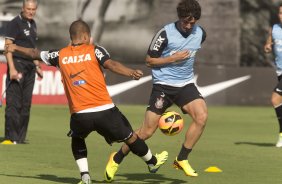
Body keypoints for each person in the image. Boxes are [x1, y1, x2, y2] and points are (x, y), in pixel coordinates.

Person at [5, 20, 168, 184]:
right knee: (131, 137)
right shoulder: (95, 51)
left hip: (80, 114)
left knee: (77, 139)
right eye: (89, 36)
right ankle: (152, 162)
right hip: (105, 110)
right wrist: (130, 72)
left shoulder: (60, 54)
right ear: (85, 36)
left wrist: (15, 47)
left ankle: (85, 176)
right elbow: (111, 64)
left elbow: (35, 53)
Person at [105, 0, 207, 178]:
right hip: (163, 87)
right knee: (146, 132)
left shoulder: (200, 33)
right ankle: (117, 158)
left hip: (185, 85)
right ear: (179, 18)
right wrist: (172, 58)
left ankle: (182, 159)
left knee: (202, 116)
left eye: (192, 23)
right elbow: (149, 61)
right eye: (185, 22)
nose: (189, 26)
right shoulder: (165, 33)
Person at [1, 0, 43, 145]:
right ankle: (10, 137)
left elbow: (32, 48)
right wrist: (11, 68)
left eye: (33, 9)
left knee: (26, 104)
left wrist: (37, 66)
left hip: (30, 67)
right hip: (17, 65)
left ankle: (20, 138)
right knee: (14, 103)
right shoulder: (14, 23)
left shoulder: (33, 24)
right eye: (28, 9)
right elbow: (8, 47)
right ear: (23, 8)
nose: (31, 12)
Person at [264, 3, 282, 148]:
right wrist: (268, 47)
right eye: (281, 13)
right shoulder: (274, 29)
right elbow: (268, 44)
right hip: (280, 72)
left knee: (275, 99)